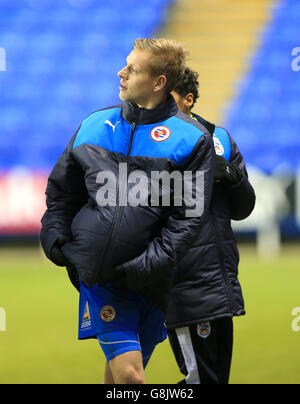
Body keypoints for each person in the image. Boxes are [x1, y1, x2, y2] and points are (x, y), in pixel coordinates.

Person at [40, 40, 216, 384]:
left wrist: (143, 267)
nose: (121, 73)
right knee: (131, 377)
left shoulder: (191, 139)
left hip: (152, 283)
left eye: (132, 69)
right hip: (103, 280)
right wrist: (56, 241)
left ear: (158, 82)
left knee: (119, 379)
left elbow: (188, 219)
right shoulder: (93, 124)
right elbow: (61, 193)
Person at [167, 67, 256, 384]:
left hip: (220, 282)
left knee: (213, 379)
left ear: (188, 100)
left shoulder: (220, 139)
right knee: (201, 380)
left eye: (169, 97)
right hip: (185, 286)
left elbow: (244, 207)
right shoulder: (151, 144)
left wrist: (229, 174)